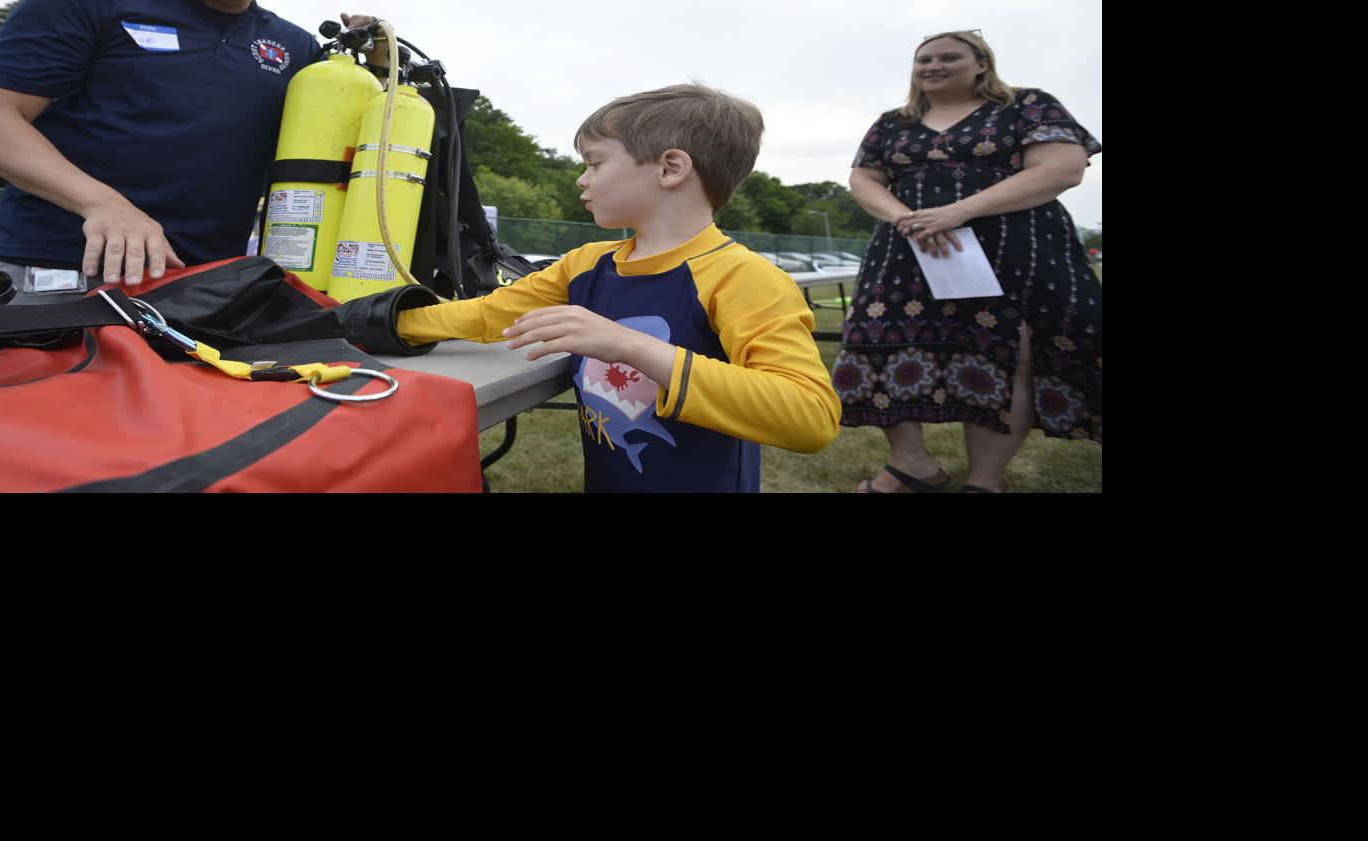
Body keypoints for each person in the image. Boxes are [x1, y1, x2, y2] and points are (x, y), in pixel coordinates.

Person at [395, 84, 841, 493]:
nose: (581, 179)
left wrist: (626, 344)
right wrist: (382, 322)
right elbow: (486, 316)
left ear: (670, 168)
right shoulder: (585, 263)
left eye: (595, 162)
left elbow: (810, 417)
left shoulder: (743, 277)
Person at [0, 1, 385, 302]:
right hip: (59, 269)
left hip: (206, 288)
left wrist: (378, 64)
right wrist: (104, 204)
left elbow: (342, 148)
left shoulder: (297, 47)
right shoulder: (89, 5)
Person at [832, 30, 1102, 492]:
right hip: (907, 249)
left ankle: (983, 480)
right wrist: (907, 220)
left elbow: (1063, 167)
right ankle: (911, 467)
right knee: (878, 343)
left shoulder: (1027, 105)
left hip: (1011, 248)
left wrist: (958, 212)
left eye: (948, 57)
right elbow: (863, 179)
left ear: (981, 63)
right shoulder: (892, 122)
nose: (932, 66)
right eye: (923, 59)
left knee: (1004, 351)